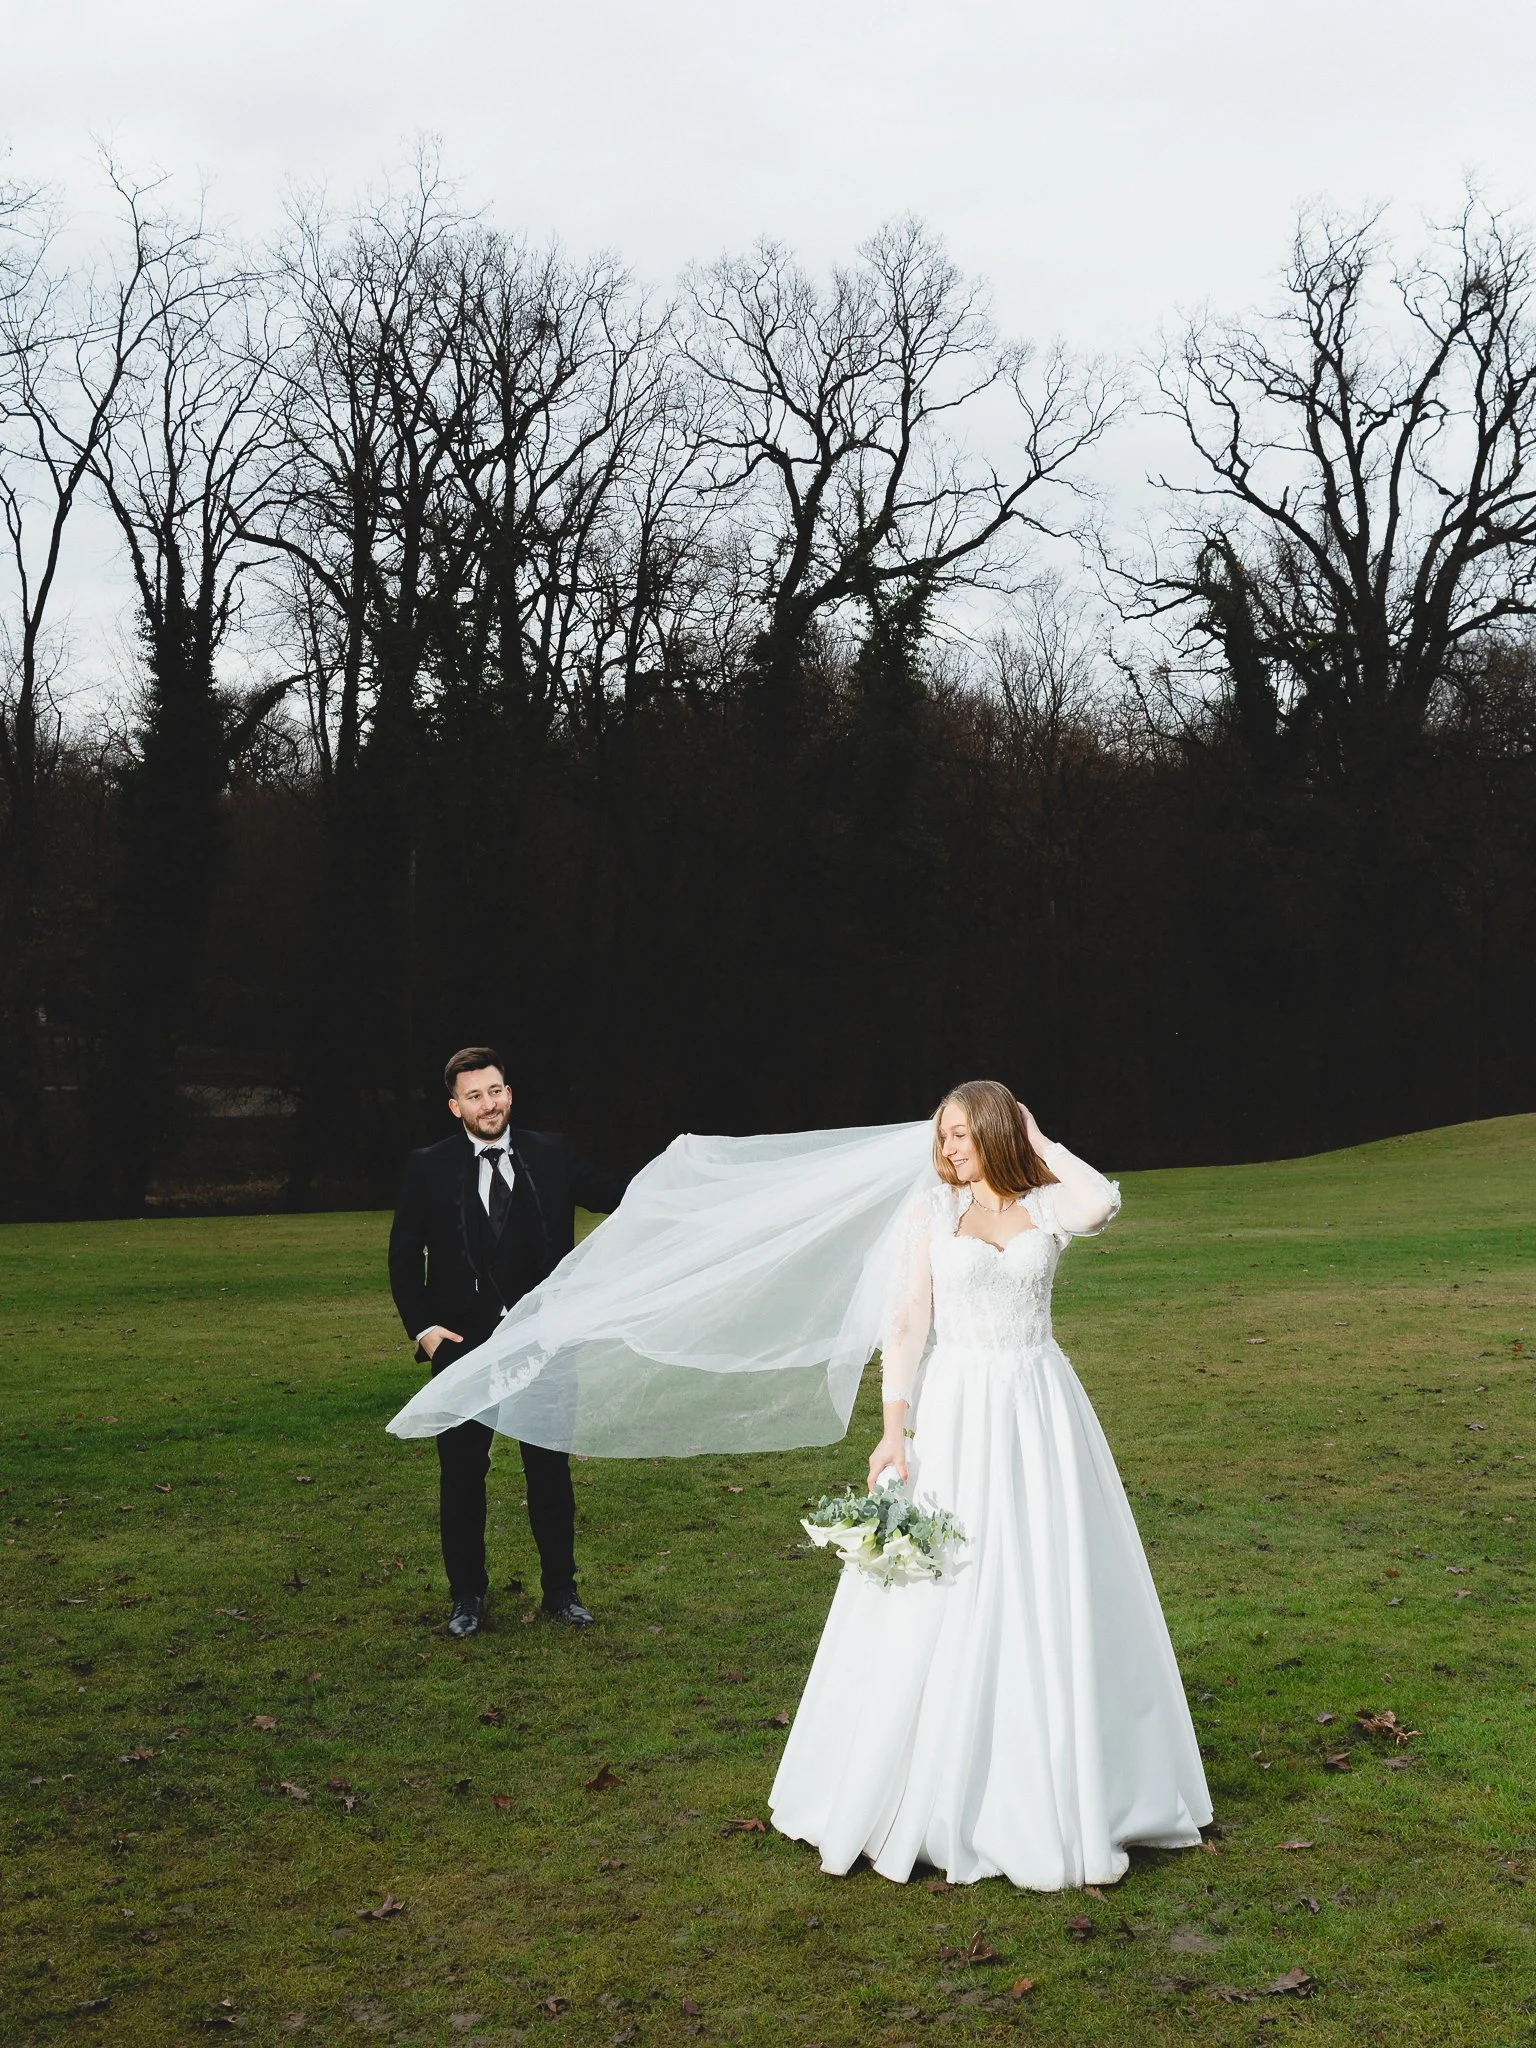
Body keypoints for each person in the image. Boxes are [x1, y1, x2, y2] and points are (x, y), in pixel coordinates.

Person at [768, 1081, 1212, 1887]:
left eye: (965, 1134)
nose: (949, 1149)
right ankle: (931, 1784)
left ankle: (1065, 1771)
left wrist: (1039, 1140)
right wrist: (893, 1429)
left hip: (1041, 1406)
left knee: (1049, 1570)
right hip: (961, 1408)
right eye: (944, 1136)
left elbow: (1101, 1204)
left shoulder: (1045, 1205)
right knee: (953, 1579)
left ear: (998, 1132)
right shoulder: (932, 1216)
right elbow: (906, 1323)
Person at [387, 1047, 628, 1638]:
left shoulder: (552, 1153)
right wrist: (425, 1331)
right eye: (474, 1095)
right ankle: (467, 1597)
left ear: (509, 1094)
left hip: (542, 1342)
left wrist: (677, 1171)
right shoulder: (428, 1166)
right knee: (462, 1475)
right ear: (455, 1107)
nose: (487, 1104)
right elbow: (402, 1255)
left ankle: (561, 1592)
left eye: (495, 1091)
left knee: (549, 1471)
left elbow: (618, 1196)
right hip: (462, 1346)